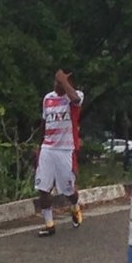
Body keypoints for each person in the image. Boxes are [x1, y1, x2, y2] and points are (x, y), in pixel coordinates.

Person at [35, 69, 84, 237]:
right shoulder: (47, 98)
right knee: (43, 187)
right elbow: (44, 123)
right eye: (55, 82)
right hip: (48, 148)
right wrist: (39, 146)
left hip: (65, 149)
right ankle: (49, 224)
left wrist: (64, 81)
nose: (56, 85)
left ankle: (75, 206)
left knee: (67, 189)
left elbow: (76, 100)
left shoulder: (75, 97)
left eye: (60, 82)